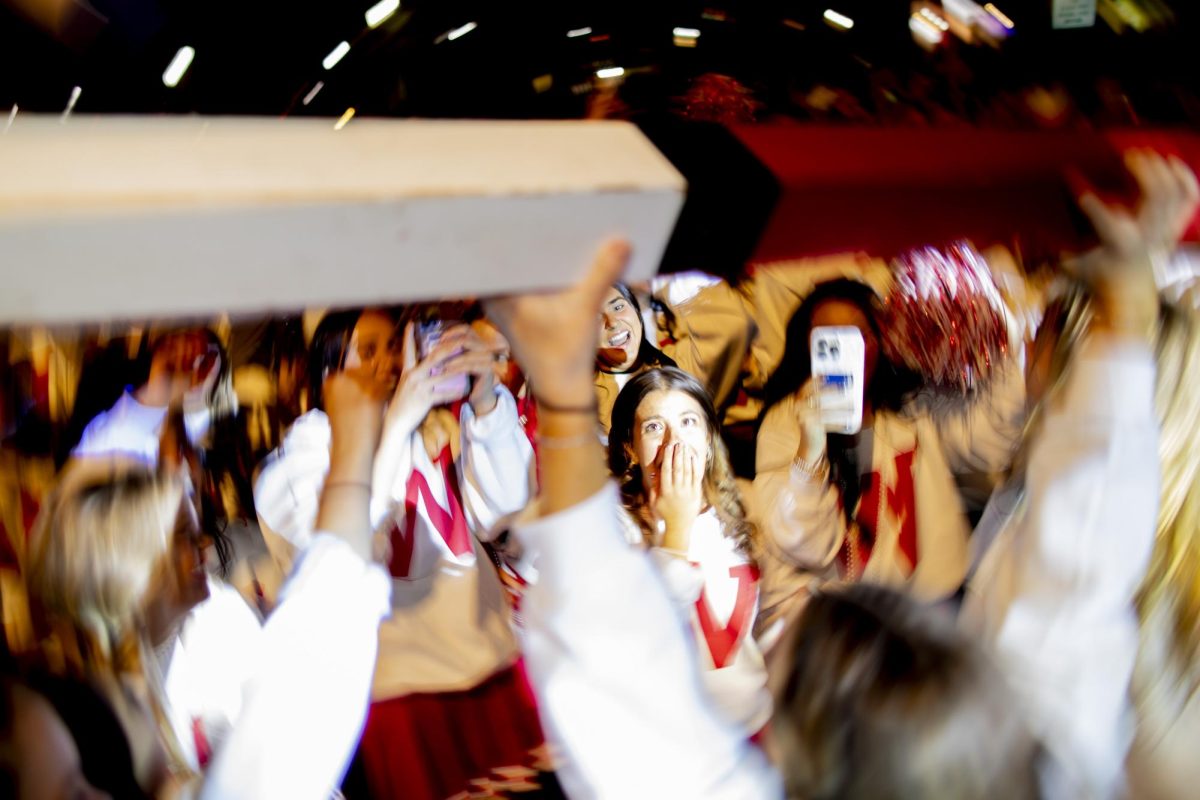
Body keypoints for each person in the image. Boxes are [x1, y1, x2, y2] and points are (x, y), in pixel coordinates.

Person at [966, 150, 1200, 800]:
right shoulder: (1147, 554)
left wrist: (1123, 317)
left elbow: (1044, 649)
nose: (1022, 341)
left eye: (1043, 326)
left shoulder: (1087, 559)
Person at [254, 306, 547, 799]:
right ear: (328, 371)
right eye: (367, 351)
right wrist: (393, 426)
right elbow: (329, 553)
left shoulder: (439, 430)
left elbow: (506, 514)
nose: (391, 363)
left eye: (396, 346)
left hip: (493, 666)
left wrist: (486, 401)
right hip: (402, 700)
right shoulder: (299, 456)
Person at [754, 276, 1025, 606]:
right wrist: (810, 451)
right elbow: (805, 543)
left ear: (880, 341)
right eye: (830, 339)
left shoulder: (912, 406)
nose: (847, 350)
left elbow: (990, 447)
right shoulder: (786, 422)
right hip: (857, 620)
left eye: (858, 336)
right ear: (808, 347)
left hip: (934, 605)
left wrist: (1002, 340)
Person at [607, 366, 771, 734]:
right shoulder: (614, 527)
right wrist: (676, 529)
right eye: (653, 427)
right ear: (630, 448)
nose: (674, 441)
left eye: (687, 422)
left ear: (710, 436)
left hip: (755, 722)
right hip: (677, 739)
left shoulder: (747, 502)